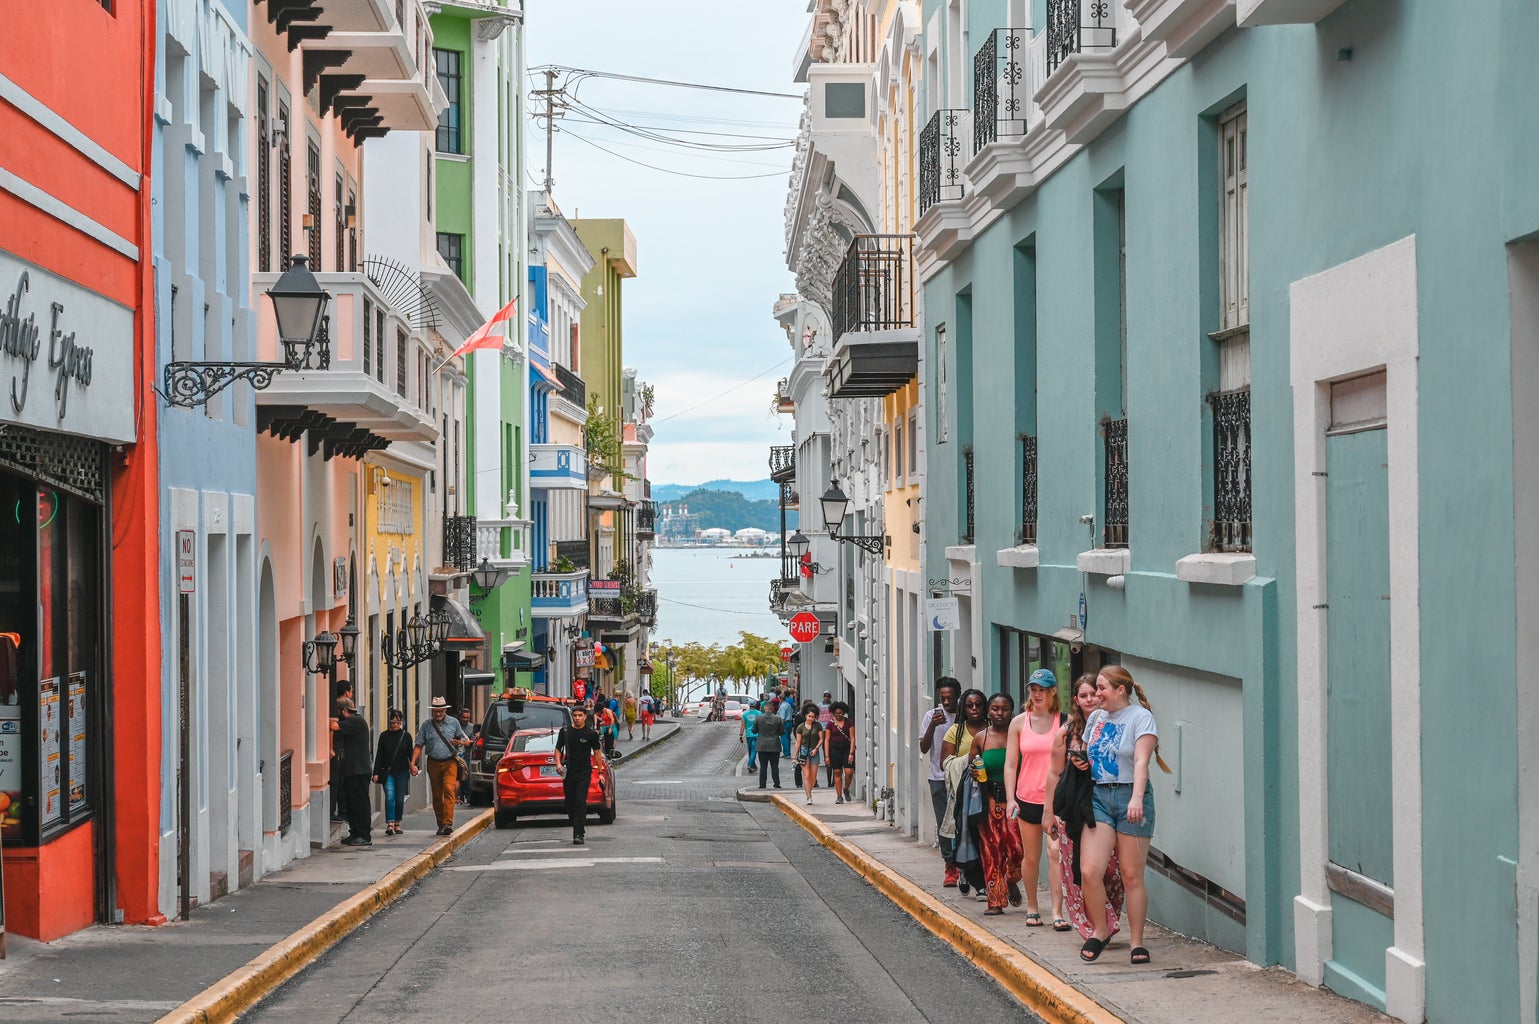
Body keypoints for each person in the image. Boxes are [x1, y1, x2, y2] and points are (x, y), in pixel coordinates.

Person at [1077, 667, 1168, 965]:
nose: (1096, 694)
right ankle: (1101, 930)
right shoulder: (1096, 719)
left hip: (1131, 795)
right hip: (1100, 797)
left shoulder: (1140, 718)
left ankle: (1137, 942)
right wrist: (1078, 759)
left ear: (1120, 690)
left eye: (1102, 688)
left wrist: (1137, 797)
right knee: (1090, 871)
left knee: (1131, 875)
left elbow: (1141, 761)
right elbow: (1089, 753)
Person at [1047, 674, 1125, 941]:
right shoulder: (1066, 733)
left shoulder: (1114, 724)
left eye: (1094, 693)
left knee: (1113, 872)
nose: (1090, 699)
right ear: (1076, 701)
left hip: (1108, 807)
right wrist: (1051, 813)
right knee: (1079, 870)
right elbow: (1054, 774)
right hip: (1075, 811)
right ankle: (1095, 927)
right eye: (1084, 695)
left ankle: (1108, 917)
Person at [1006, 669, 1070, 929]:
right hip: (1028, 798)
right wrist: (1011, 798)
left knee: (1055, 854)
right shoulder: (1019, 723)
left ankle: (1057, 911)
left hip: (1056, 801)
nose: (1037, 694)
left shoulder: (1065, 722)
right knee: (1030, 857)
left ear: (1053, 691)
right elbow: (1011, 765)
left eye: (1042, 689)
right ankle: (1032, 906)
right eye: (1033, 689)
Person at [971, 693, 1024, 916]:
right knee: (991, 850)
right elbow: (972, 768)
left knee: (1016, 849)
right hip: (989, 800)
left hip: (1017, 800)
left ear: (1012, 711)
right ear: (988, 711)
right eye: (994, 709)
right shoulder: (980, 738)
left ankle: (1011, 879)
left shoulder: (1021, 735)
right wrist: (974, 772)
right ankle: (995, 900)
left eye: (1004, 709)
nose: (999, 713)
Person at [942, 688, 990, 899]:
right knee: (963, 832)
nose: (974, 709)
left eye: (978, 704)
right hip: (963, 791)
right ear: (963, 708)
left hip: (988, 789)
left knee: (984, 835)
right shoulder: (956, 731)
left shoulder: (992, 728)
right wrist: (967, 762)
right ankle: (964, 871)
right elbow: (946, 762)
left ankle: (983, 882)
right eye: (969, 705)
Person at [919, 678, 961, 886]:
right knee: (944, 823)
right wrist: (933, 727)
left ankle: (965, 863)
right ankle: (950, 866)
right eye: (943, 698)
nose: (946, 702)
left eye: (950, 698)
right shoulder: (931, 716)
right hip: (938, 777)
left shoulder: (964, 716)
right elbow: (924, 748)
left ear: (958, 696)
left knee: (963, 822)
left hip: (962, 778)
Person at [410, 696, 472, 836]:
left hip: (450, 762)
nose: (438, 714)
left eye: (441, 711)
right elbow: (419, 745)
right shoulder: (427, 725)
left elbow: (466, 741)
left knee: (449, 790)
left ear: (445, 710)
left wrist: (460, 743)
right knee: (437, 796)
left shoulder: (454, 723)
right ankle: (441, 824)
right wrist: (413, 763)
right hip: (433, 763)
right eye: (436, 711)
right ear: (433, 711)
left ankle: (448, 823)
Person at [554, 704, 603, 846]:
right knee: (570, 802)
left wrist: (600, 772)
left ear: (585, 717)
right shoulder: (565, 732)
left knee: (581, 801)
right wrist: (558, 764)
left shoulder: (591, 734)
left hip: (584, 772)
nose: (577, 718)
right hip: (569, 771)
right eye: (575, 715)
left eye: (580, 715)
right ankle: (575, 821)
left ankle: (579, 833)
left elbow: (597, 753)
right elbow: (558, 749)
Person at [334, 698, 373, 846]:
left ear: (344, 711)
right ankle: (355, 832)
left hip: (360, 771)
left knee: (360, 803)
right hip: (351, 770)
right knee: (351, 803)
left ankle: (364, 835)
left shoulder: (356, 721)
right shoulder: (353, 722)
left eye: (338, 712)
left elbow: (334, 726)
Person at [372, 709, 413, 836]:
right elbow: (379, 755)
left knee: (400, 799)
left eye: (398, 722)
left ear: (401, 722)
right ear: (389, 722)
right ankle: (390, 824)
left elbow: (410, 754)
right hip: (387, 772)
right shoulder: (384, 736)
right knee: (390, 797)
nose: (395, 725)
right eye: (393, 722)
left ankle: (397, 823)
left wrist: (413, 765)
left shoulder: (406, 736)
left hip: (402, 772)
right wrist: (376, 772)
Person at [330, 678, 355, 822]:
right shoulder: (342, 710)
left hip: (337, 749)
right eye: (351, 691)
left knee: (337, 781)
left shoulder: (332, 706)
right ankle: (341, 811)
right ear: (346, 692)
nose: (351, 694)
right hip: (338, 750)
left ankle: (339, 810)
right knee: (339, 781)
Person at [794, 705, 825, 805]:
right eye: (809, 716)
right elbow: (798, 743)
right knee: (806, 775)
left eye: (813, 716)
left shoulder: (818, 726)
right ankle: (809, 797)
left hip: (814, 751)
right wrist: (794, 757)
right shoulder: (800, 727)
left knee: (813, 776)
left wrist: (816, 748)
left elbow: (821, 739)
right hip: (803, 752)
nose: (811, 718)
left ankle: (809, 790)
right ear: (805, 715)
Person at [826, 701, 856, 804]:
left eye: (840, 713)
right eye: (836, 713)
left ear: (844, 712)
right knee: (837, 772)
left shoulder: (849, 722)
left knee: (849, 772)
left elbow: (852, 738)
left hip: (847, 748)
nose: (838, 715)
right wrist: (827, 756)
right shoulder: (830, 723)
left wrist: (851, 753)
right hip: (834, 749)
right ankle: (839, 796)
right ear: (833, 713)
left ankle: (846, 789)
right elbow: (827, 740)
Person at [754, 699, 784, 789]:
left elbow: (754, 730)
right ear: (772, 709)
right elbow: (782, 732)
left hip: (762, 745)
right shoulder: (778, 719)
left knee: (763, 766)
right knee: (775, 766)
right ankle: (777, 783)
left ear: (764, 708)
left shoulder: (758, 718)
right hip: (774, 745)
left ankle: (762, 785)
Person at [740, 700, 763, 773]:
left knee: (750, 751)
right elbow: (761, 724)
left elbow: (743, 725)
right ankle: (750, 764)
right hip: (756, 734)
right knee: (754, 751)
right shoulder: (759, 713)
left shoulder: (745, 714)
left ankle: (752, 765)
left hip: (749, 734)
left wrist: (741, 734)